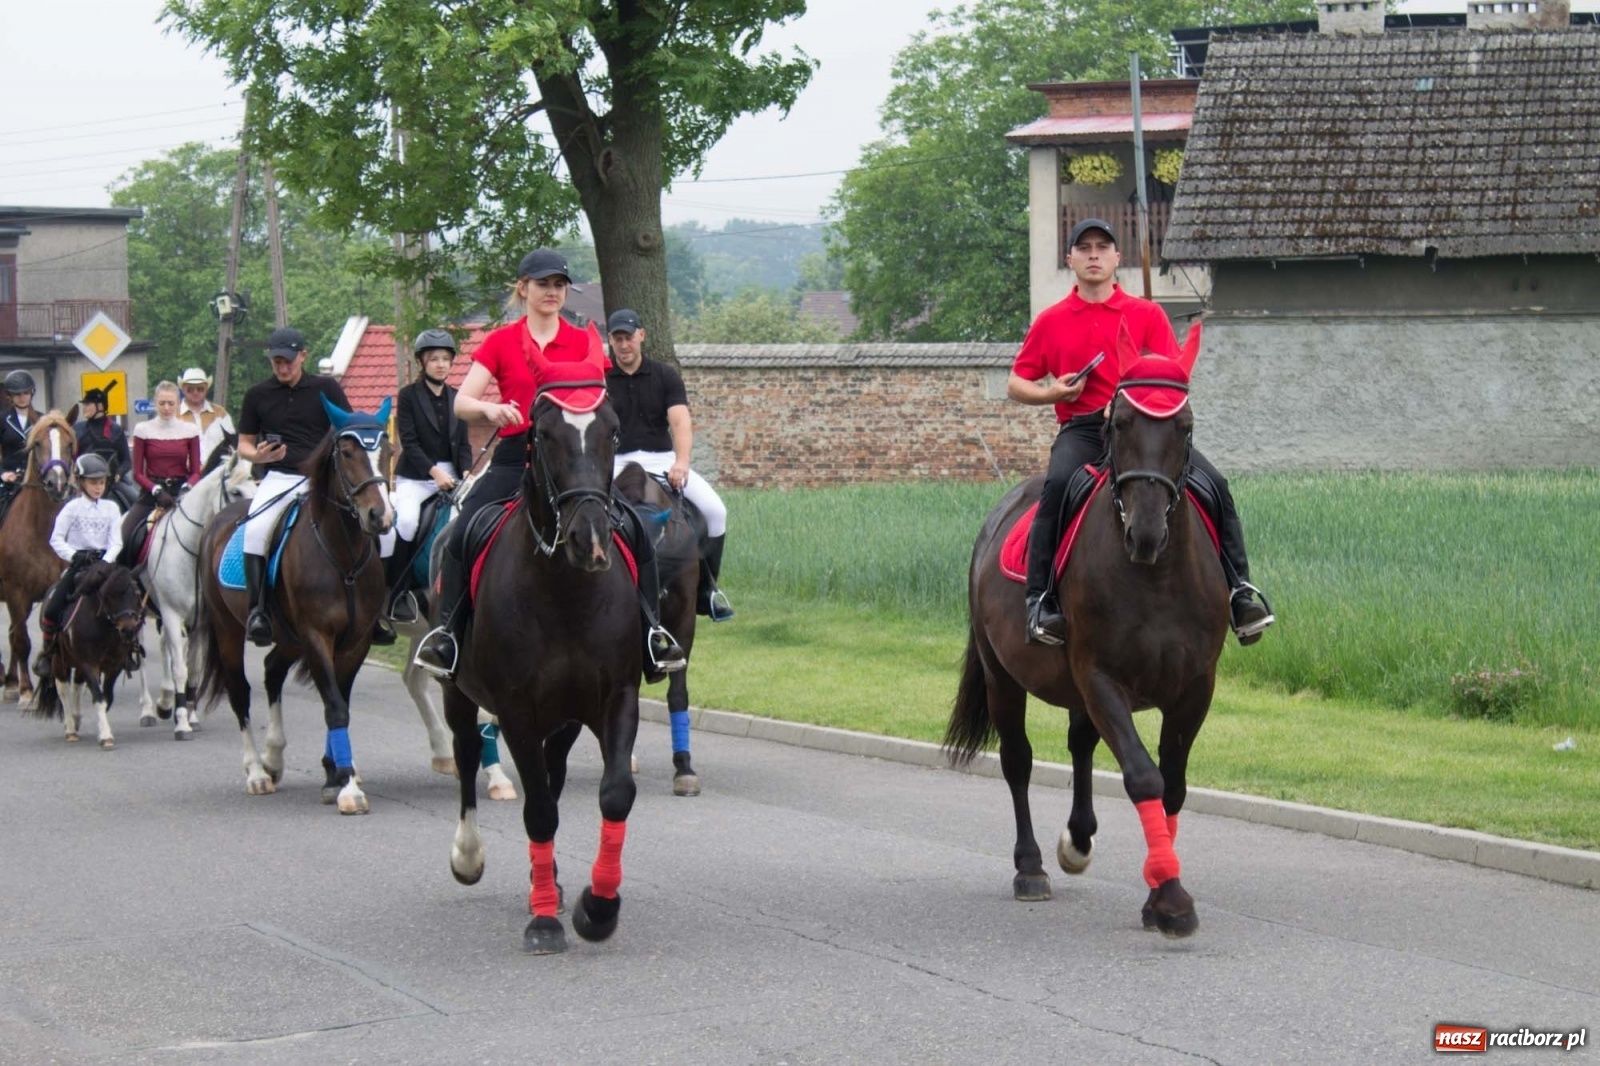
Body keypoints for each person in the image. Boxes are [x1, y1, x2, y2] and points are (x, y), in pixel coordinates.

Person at [413, 249, 687, 679]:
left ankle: (652, 634)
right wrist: (491, 410)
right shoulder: (500, 341)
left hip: (574, 466)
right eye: (543, 284)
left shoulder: (583, 341)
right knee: (461, 533)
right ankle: (447, 636)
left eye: (559, 285)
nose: (552, 292)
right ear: (523, 288)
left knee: (635, 529)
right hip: (513, 460)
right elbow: (462, 402)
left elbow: (600, 400)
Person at [1008, 217, 1273, 647]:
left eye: (1102, 247)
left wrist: (1132, 402)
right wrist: (1051, 392)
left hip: (1145, 432)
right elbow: (1015, 382)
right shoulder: (1050, 320)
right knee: (1056, 485)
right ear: (1070, 258)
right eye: (1084, 248)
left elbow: (1173, 378)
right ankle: (1040, 601)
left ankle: (1241, 593)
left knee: (1216, 484)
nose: (1094, 255)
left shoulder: (1147, 314)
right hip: (1084, 430)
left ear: (1117, 258)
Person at [236, 326, 394, 647]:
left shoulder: (327, 389)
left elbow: (348, 432)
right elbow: (244, 444)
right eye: (277, 362)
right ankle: (258, 611)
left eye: (288, 361)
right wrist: (258, 455)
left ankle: (377, 611)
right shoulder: (257, 395)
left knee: (385, 532)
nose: (283, 368)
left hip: (323, 479)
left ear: (303, 356)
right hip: (280, 476)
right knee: (256, 530)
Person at [605, 308, 733, 621]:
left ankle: (707, 591)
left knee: (716, 511)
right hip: (616, 462)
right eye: (617, 339)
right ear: (610, 340)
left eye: (629, 337)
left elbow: (680, 422)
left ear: (641, 336)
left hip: (661, 459)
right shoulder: (601, 379)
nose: (624, 345)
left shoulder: (665, 376)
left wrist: (682, 462)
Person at [385, 328, 471, 623]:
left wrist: (467, 472)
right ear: (422, 362)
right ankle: (397, 592)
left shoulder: (457, 398)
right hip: (417, 477)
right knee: (408, 521)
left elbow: (464, 444)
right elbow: (409, 443)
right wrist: (435, 474)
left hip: (453, 475)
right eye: (434, 359)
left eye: (445, 359)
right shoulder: (408, 396)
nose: (441, 364)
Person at [34, 453, 124, 674]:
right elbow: (56, 539)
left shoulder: (111, 508)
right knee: (53, 606)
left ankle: (129, 648)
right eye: (93, 483)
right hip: (79, 565)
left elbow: (117, 542)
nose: (98, 487)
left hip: (104, 565)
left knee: (129, 600)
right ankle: (48, 651)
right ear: (81, 482)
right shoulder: (71, 508)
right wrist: (74, 555)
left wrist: (105, 561)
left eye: (101, 482)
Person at [122, 380, 202, 563]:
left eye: (171, 403)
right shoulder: (143, 429)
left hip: (181, 493)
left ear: (178, 403)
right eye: (162, 403)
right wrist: (156, 490)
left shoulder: (190, 430)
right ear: (155, 403)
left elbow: (196, 472)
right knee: (125, 536)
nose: (166, 408)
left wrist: (186, 488)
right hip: (151, 494)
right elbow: (137, 473)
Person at [74, 385, 134, 506]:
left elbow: (127, 461)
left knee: (136, 500)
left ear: (100, 406)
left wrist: (119, 474)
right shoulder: (77, 429)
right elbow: (72, 458)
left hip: (113, 481)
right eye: (84, 405)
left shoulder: (116, 430)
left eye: (88, 404)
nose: (84, 408)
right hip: (83, 482)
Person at [176, 366, 235, 463]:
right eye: (190, 389)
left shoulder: (220, 413)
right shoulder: (173, 415)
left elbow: (232, 445)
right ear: (183, 389)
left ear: (206, 389)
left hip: (217, 469)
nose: (195, 392)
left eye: (200, 389)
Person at [0, 370, 42, 489]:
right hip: (9, 478)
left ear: (31, 393)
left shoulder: (42, 419)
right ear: (10, 395)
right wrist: (2, 473)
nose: (22, 397)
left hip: (37, 477)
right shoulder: (2, 419)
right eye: (17, 394)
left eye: (26, 393)